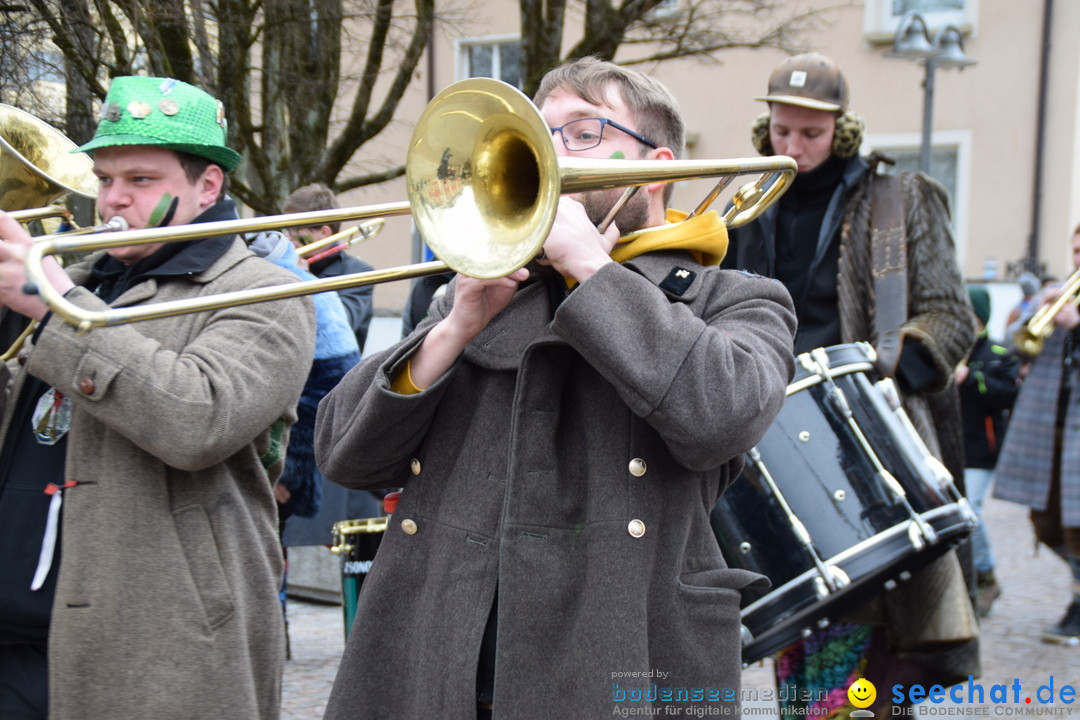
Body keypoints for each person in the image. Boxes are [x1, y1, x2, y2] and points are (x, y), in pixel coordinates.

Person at [314, 57, 798, 718]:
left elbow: (723, 416)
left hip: (619, 661)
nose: (550, 151)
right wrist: (453, 328)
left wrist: (591, 269)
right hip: (440, 661)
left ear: (654, 167)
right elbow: (346, 455)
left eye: (581, 132)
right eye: (541, 133)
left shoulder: (733, 300)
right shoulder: (478, 298)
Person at [0, 76, 316, 719]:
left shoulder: (265, 296)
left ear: (207, 187)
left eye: (140, 181)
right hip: (16, 645)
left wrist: (55, 313)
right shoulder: (79, 277)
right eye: (104, 178)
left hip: (158, 642)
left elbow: (198, 420)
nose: (112, 199)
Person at [722, 53, 977, 716]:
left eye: (811, 133)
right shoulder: (742, 205)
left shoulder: (899, 200)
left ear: (843, 127)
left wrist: (888, 379)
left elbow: (951, 316)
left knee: (876, 647)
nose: (794, 148)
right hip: (766, 445)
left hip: (866, 443)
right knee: (799, 639)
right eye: (782, 132)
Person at [994, 223, 1080, 643]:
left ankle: (1078, 606)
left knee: (1077, 524)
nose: (1079, 259)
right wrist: (1036, 313)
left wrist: (1077, 325)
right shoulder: (1059, 293)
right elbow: (1013, 345)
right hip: (1046, 428)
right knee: (1044, 522)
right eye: (1077, 250)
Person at [956, 286, 1021, 617]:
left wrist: (971, 377)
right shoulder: (950, 347)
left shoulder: (997, 353)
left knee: (972, 513)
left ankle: (987, 573)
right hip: (951, 444)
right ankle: (967, 579)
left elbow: (1007, 395)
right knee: (955, 517)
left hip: (982, 447)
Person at [282, 182, 376, 354]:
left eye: (295, 229)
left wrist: (303, 279)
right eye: (286, 229)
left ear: (324, 233)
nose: (288, 237)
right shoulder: (283, 266)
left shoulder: (358, 273)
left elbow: (340, 324)